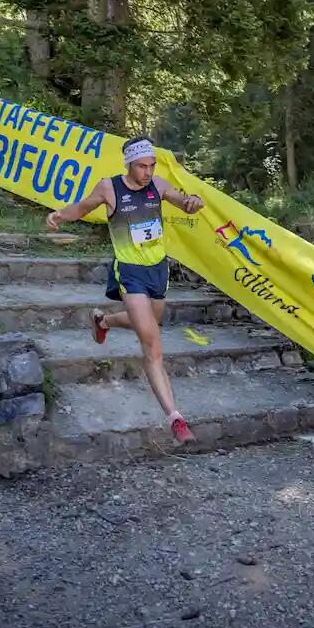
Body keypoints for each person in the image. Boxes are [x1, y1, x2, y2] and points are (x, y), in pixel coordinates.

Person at [46, 137, 204, 443]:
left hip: (158, 270)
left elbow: (180, 200)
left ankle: (102, 321)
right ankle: (176, 419)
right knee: (152, 344)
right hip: (129, 272)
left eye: (151, 165)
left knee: (146, 323)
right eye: (142, 166)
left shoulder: (157, 185)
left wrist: (191, 203)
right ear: (128, 164)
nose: (147, 171)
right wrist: (59, 215)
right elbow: (82, 208)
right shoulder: (109, 187)